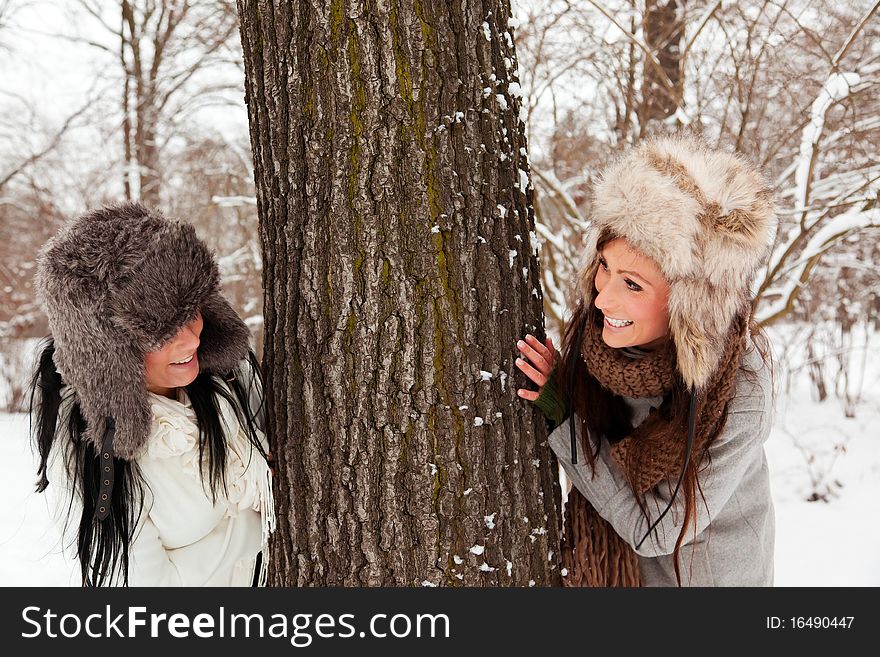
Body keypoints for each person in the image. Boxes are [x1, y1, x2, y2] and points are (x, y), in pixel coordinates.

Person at [515, 134, 777, 586]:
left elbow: (656, 531)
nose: (603, 298)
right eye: (604, 267)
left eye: (632, 285)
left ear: (689, 305)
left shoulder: (741, 388)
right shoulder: (597, 347)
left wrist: (566, 424)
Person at [29, 202, 275, 587]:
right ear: (110, 351)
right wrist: (255, 526)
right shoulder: (92, 450)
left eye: (192, 312)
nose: (192, 338)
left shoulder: (230, 385)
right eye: (162, 332)